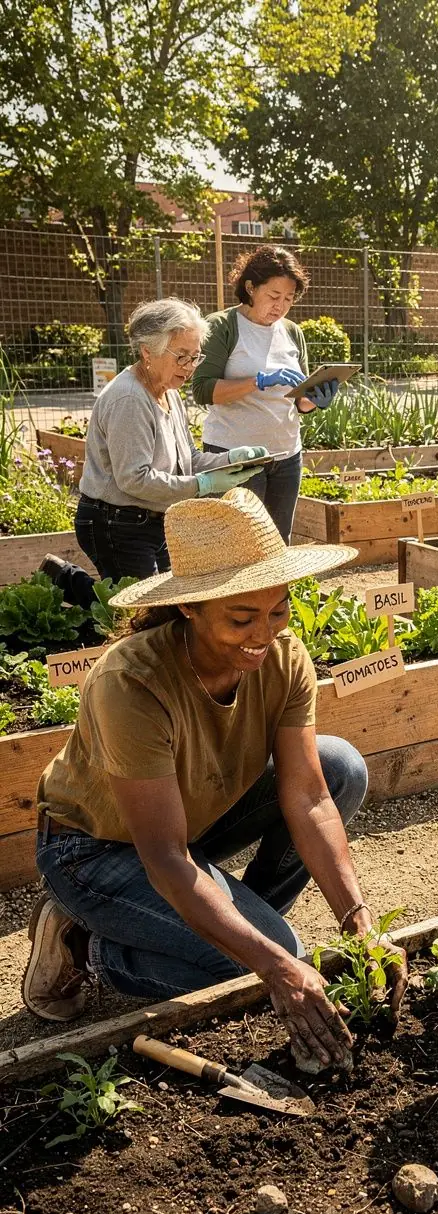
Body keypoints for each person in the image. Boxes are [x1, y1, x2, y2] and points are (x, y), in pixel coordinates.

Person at [24, 487, 407, 1067]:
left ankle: (226, 928)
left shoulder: (283, 659)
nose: (264, 634)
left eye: (277, 610)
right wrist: (274, 964)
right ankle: (84, 946)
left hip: (191, 820)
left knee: (340, 767)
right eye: (241, 618)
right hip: (95, 848)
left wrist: (360, 921)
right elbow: (165, 857)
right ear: (189, 608)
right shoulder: (131, 682)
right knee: (262, 960)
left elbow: (309, 795)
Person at [43, 298, 268, 608]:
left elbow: (188, 458)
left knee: (161, 604)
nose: (190, 367)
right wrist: (203, 485)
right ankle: (66, 580)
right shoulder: (129, 400)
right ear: (147, 351)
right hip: (116, 522)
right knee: (145, 611)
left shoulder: (169, 393)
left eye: (195, 357)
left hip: (153, 517)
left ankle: (64, 578)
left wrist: (229, 460)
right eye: (181, 356)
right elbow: (134, 479)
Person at [191, 245, 339, 543]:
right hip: (235, 456)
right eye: (273, 296)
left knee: (278, 543)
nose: (280, 306)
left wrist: (314, 399)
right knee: (238, 544)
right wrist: (257, 382)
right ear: (250, 287)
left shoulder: (292, 332)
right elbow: (202, 390)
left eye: (289, 298)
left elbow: (299, 401)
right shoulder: (222, 326)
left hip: (286, 455)